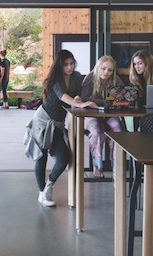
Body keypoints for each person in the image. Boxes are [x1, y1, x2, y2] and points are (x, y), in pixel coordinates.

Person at [23, 50, 97, 207]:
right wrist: (78, 103)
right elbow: (62, 96)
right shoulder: (56, 78)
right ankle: (42, 192)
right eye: (66, 64)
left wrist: (79, 99)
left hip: (57, 124)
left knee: (63, 159)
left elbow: (77, 95)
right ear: (60, 65)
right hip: (42, 120)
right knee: (40, 158)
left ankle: (49, 187)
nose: (69, 67)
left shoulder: (77, 76)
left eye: (71, 63)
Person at [81, 56, 126, 178]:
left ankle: (117, 168)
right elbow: (85, 98)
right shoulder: (90, 78)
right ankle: (97, 166)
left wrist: (103, 102)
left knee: (118, 131)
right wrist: (107, 102)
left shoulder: (116, 80)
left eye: (110, 70)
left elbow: (122, 98)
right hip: (92, 115)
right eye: (104, 68)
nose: (106, 72)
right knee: (96, 131)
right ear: (98, 67)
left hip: (109, 115)